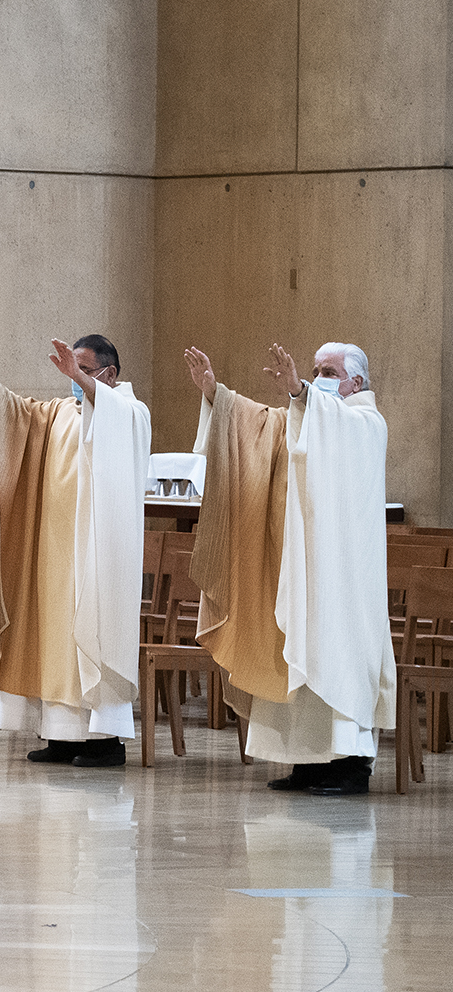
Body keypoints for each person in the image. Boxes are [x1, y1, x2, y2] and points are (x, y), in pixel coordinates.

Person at [183, 341, 395, 796]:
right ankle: (307, 761)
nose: (320, 376)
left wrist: (300, 390)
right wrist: (215, 395)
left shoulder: (364, 423)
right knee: (294, 651)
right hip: (301, 570)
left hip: (343, 581)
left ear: (355, 382)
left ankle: (349, 764)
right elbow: (259, 425)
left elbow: (327, 427)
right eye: (316, 369)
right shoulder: (309, 414)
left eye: (329, 370)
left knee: (335, 654)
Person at [0, 333, 149, 767]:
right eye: (69, 369)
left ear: (108, 373)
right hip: (54, 549)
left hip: (97, 554)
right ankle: (59, 736)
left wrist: (85, 384)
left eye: (83, 370)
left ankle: (104, 741)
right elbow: (12, 412)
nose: (72, 378)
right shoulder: (58, 412)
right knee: (51, 638)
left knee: (92, 634)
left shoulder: (130, 411)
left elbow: (111, 429)